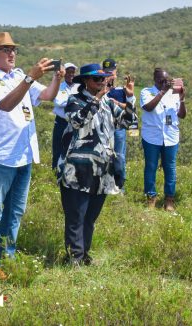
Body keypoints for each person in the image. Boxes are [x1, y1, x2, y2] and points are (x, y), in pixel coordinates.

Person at [0, 32, 61, 280]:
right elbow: (4, 104)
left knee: (15, 211)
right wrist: (28, 78)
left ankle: (7, 255)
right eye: (5, 50)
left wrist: (57, 78)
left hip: (24, 154)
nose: (11, 53)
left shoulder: (18, 75)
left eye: (13, 49)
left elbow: (46, 96)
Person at [57, 63, 136, 265]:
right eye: (97, 79)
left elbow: (129, 122)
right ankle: (74, 257)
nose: (102, 82)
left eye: (103, 79)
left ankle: (84, 255)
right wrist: (96, 100)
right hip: (77, 170)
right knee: (76, 216)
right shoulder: (74, 100)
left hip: (102, 172)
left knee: (90, 218)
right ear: (85, 81)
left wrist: (129, 98)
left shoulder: (108, 103)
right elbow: (77, 122)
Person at [140, 68, 186, 211]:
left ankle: (169, 200)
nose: (164, 82)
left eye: (167, 80)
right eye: (161, 80)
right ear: (155, 79)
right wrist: (162, 92)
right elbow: (148, 107)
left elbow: (182, 115)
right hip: (151, 137)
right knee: (151, 167)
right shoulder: (146, 92)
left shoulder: (174, 95)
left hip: (171, 137)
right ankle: (151, 199)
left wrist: (182, 98)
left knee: (170, 168)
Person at [102, 58, 136, 190]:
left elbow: (130, 108)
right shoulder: (99, 87)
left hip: (118, 128)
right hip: (103, 127)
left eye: (111, 72)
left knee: (119, 157)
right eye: (106, 72)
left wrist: (116, 103)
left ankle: (120, 186)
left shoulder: (121, 90)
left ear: (115, 72)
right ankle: (105, 185)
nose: (109, 74)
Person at [52, 62, 78, 169]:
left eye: (72, 72)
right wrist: (73, 101)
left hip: (75, 122)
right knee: (58, 148)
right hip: (61, 122)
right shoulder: (59, 86)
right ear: (64, 73)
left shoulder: (79, 87)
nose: (70, 74)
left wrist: (69, 101)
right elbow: (58, 102)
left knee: (74, 149)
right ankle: (55, 172)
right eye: (68, 72)